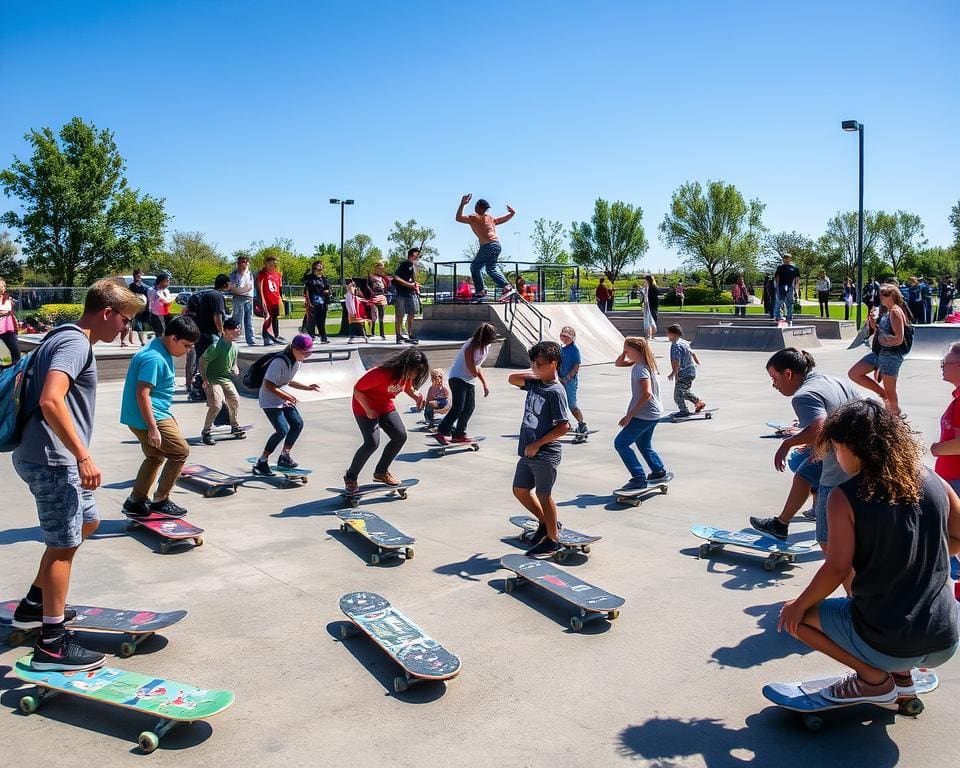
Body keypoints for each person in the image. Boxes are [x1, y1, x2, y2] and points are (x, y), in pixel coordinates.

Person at [777, 400, 960, 705]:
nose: (836, 455)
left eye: (836, 447)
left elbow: (836, 569)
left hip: (890, 642)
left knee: (797, 618)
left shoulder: (843, 496)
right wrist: (921, 557)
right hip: (945, 638)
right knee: (893, 614)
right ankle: (903, 679)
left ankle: (872, 680)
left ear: (851, 446)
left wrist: (798, 604)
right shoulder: (934, 480)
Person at [11, 278, 141, 671]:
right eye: (125, 320)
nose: (125, 328)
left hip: (47, 455)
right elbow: (51, 399)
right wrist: (82, 455)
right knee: (63, 545)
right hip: (52, 460)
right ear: (107, 313)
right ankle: (52, 644)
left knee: (88, 521)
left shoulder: (62, 335)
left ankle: (35, 602)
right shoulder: (74, 343)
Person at [751, 349, 859, 555]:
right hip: (860, 448)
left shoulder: (803, 396)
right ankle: (780, 525)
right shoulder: (830, 380)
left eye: (774, 378)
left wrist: (787, 444)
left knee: (826, 536)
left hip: (841, 461)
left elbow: (819, 431)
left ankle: (840, 570)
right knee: (805, 472)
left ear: (788, 374)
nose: (774, 385)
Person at [119, 314, 200, 519]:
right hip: (149, 417)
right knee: (180, 451)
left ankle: (135, 501)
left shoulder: (157, 347)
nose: (188, 350)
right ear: (173, 338)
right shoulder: (154, 358)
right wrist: (154, 427)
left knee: (154, 457)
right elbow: (142, 393)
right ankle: (161, 500)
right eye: (187, 345)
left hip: (141, 416)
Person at [507, 341, 571, 557]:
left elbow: (564, 426)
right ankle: (545, 522)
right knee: (520, 490)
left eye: (540, 364)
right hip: (528, 450)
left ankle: (553, 541)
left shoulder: (556, 391)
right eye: (533, 363)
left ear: (554, 364)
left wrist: (537, 444)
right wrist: (536, 371)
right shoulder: (536, 384)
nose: (535, 367)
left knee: (544, 495)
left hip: (545, 452)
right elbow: (512, 379)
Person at [343, 348, 429, 492]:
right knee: (371, 443)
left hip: (384, 406)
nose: (414, 376)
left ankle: (381, 472)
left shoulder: (405, 376)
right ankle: (351, 477)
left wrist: (416, 396)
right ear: (405, 365)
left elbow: (407, 387)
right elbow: (358, 389)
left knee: (400, 436)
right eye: (414, 372)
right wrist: (368, 409)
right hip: (364, 406)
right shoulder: (380, 373)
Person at [251, 334, 320, 476]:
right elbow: (269, 385)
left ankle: (284, 456)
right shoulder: (279, 362)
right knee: (282, 430)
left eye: (309, 352)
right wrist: (287, 396)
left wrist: (307, 387)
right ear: (294, 349)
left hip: (282, 397)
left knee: (297, 423)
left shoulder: (296, 361)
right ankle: (261, 462)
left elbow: (287, 381)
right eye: (304, 352)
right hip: (269, 400)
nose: (307, 355)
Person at [613, 337, 669, 491]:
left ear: (636, 351)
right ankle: (658, 471)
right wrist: (624, 351)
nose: (625, 353)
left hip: (644, 414)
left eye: (627, 350)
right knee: (643, 444)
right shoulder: (644, 363)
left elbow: (647, 394)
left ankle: (638, 478)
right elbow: (618, 363)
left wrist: (629, 415)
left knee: (621, 443)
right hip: (654, 413)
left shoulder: (640, 368)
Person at [848, 284, 912, 415]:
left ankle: (895, 415)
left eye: (882, 295)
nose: (880, 297)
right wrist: (873, 325)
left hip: (891, 356)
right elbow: (882, 331)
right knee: (854, 373)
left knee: (891, 391)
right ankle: (882, 394)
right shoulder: (887, 311)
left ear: (890, 296)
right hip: (879, 353)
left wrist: (885, 340)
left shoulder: (895, 311)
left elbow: (899, 339)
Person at [433, 323, 495, 445]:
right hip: (457, 377)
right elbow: (470, 364)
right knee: (458, 407)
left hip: (468, 379)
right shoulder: (470, 345)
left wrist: (484, 384)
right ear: (484, 337)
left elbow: (478, 366)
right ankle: (441, 431)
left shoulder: (486, 347)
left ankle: (459, 434)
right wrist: (474, 375)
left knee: (469, 408)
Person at [931, 341, 960, 597]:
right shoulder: (958, 397)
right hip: (951, 478)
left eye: (946, 364)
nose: (941, 368)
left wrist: (936, 449)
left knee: (947, 536)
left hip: (956, 479)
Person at [456, 193, 516, 302]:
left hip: (488, 246)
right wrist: (512, 214)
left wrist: (462, 204)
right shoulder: (490, 218)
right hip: (496, 245)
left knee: (475, 267)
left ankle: (484, 290)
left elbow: (458, 218)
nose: (475, 209)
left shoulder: (473, 217)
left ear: (479, 208)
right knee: (490, 268)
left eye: (477, 207)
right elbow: (500, 220)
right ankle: (504, 287)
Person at [199, 318, 244, 445]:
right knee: (217, 404)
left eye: (239, 328)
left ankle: (234, 426)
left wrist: (234, 368)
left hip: (224, 378)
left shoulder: (234, 346)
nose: (238, 330)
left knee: (235, 399)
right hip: (212, 379)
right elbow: (202, 362)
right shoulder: (216, 347)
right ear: (225, 331)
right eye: (235, 328)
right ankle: (207, 431)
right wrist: (204, 379)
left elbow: (233, 362)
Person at [192, 274, 229, 385]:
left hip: (200, 332)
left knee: (200, 360)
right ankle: (210, 385)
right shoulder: (217, 296)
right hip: (210, 333)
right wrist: (221, 330)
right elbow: (217, 315)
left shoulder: (207, 294)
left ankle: (198, 384)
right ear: (226, 284)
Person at [666, 324, 705, 417]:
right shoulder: (684, 342)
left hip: (683, 373)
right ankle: (698, 402)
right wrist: (697, 363)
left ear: (675, 334)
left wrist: (673, 374)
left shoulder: (676, 346)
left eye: (668, 333)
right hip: (691, 372)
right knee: (683, 391)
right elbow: (693, 353)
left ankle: (684, 411)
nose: (667, 335)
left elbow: (676, 362)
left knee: (678, 395)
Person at [558, 325, 589, 436]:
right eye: (563, 336)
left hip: (570, 381)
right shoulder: (561, 349)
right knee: (559, 403)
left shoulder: (574, 349)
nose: (564, 338)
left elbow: (576, 365)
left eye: (567, 337)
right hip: (560, 379)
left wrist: (568, 377)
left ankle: (582, 424)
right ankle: (564, 424)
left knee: (572, 405)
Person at [393, 248, 421, 344]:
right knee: (400, 315)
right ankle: (398, 335)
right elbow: (396, 278)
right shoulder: (403, 265)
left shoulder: (414, 266)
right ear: (412, 254)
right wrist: (409, 284)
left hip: (411, 294)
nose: (418, 256)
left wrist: (414, 284)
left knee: (411, 314)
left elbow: (411, 280)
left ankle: (410, 334)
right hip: (401, 294)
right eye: (417, 254)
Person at [229, 253, 257, 346]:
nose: (244, 264)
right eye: (242, 262)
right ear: (238, 263)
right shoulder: (234, 274)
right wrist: (241, 290)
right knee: (237, 319)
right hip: (238, 298)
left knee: (249, 320)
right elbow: (232, 288)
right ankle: (234, 338)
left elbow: (249, 287)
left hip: (249, 298)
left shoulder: (250, 274)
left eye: (246, 262)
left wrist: (242, 290)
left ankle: (251, 340)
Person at [257, 256, 284, 345]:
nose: (273, 265)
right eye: (270, 263)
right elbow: (260, 287)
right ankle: (266, 337)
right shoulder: (262, 274)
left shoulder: (277, 274)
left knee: (275, 318)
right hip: (267, 300)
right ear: (266, 264)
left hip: (275, 299)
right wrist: (262, 299)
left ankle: (276, 335)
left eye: (274, 263)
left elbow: (278, 289)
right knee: (267, 318)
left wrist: (280, 299)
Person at [302, 260, 331, 343]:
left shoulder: (324, 279)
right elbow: (306, 291)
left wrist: (327, 291)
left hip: (322, 302)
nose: (320, 267)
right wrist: (308, 303)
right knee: (312, 320)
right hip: (313, 301)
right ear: (314, 267)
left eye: (321, 266)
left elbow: (328, 288)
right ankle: (311, 336)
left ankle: (323, 337)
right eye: (319, 266)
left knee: (321, 320)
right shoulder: (309, 279)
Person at [125, 269, 150, 347]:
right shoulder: (132, 286)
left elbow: (146, 296)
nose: (139, 277)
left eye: (140, 276)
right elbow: (131, 296)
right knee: (138, 325)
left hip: (143, 308)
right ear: (134, 276)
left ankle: (139, 340)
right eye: (138, 276)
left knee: (142, 324)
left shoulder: (142, 286)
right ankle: (142, 342)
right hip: (136, 308)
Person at [365, 261, 389, 340]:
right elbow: (368, 286)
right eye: (379, 267)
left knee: (381, 316)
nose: (380, 269)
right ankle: (372, 332)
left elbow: (385, 286)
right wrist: (371, 292)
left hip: (381, 297)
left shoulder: (382, 278)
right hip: (374, 297)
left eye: (382, 267)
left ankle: (382, 333)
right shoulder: (371, 277)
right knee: (373, 316)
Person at [773, 255, 800, 324]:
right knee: (779, 301)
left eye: (786, 259)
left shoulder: (794, 268)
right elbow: (777, 278)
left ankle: (789, 317)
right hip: (781, 286)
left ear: (789, 259)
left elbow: (797, 279)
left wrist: (796, 289)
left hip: (790, 286)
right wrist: (777, 287)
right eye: (784, 259)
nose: (785, 260)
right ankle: (778, 316)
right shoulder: (780, 268)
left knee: (790, 302)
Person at [0, 278, 21, 365]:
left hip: (8, 328)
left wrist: (15, 321)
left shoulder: (7, 299)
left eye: (3, 286)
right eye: (0, 286)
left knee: (15, 352)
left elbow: (11, 312)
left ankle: (15, 372)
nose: (1, 288)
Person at [147, 271, 174, 336]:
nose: (168, 283)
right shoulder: (152, 290)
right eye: (166, 281)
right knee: (160, 331)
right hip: (157, 314)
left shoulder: (166, 290)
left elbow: (169, 300)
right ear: (161, 281)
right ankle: (158, 344)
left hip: (167, 313)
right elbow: (150, 301)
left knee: (169, 330)